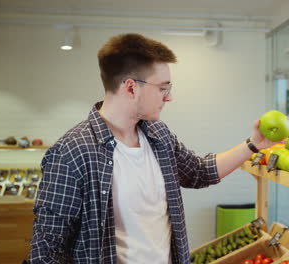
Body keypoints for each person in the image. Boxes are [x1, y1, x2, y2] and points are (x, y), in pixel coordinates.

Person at [29, 33, 275, 264]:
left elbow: (200, 172)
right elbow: (48, 249)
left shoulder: (159, 135)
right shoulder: (72, 152)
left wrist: (253, 145)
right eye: (162, 87)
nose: (168, 97)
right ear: (131, 87)